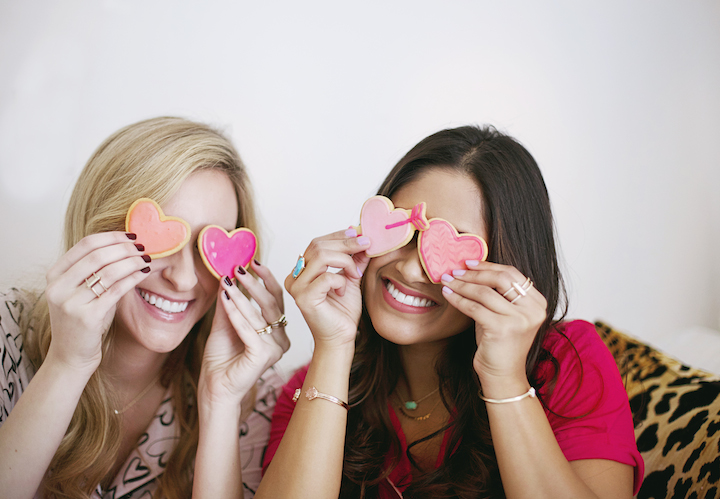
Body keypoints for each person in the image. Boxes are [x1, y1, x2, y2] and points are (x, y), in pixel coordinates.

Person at [258, 125, 643, 498]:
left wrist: (504, 380)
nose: (410, 269)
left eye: (450, 249)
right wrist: (335, 344)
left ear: (507, 266)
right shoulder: (312, 387)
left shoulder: (567, 360)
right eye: (403, 232)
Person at [0, 117, 289, 499]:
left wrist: (220, 404)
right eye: (163, 237)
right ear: (97, 230)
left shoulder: (255, 395)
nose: (184, 279)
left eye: (209, 248)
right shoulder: (8, 335)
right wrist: (66, 365)